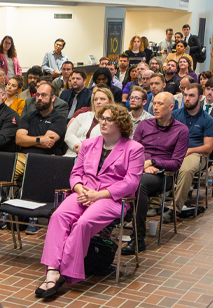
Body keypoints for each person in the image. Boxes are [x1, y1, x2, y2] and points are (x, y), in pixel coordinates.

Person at [37, 104, 144, 296]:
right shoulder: (88, 144)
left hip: (112, 198)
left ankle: (65, 272)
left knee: (83, 223)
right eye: (102, 117)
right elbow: (76, 173)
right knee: (58, 216)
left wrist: (98, 195)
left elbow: (131, 183)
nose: (102, 122)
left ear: (120, 124)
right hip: (83, 192)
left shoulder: (134, 148)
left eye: (108, 119)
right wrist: (80, 190)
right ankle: (52, 270)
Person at [122, 92, 189, 255]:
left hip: (162, 175)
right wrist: (144, 164)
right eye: (155, 103)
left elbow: (176, 163)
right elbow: (132, 150)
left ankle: (138, 240)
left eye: (160, 104)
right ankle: (110, 227)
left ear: (171, 107)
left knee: (140, 184)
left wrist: (153, 162)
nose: (155, 107)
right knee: (127, 179)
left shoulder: (181, 130)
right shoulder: (144, 125)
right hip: (140, 170)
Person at [171, 83, 213, 216]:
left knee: (186, 170)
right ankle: (154, 201)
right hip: (174, 152)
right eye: (185, 95)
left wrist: (190, 151)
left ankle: (176, 209)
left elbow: (208, 148)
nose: (187, 98)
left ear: (200, 97)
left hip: (196, 153)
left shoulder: (207, 120)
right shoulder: (174, 116)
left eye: (191, 95)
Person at [15, 81, 68, 163]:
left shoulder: (59, 119)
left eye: (43, 95)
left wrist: (27, 140)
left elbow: (47, 143)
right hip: (23, 157)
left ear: (53, 98)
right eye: (37, 95)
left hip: (47, 159)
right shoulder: (28, 116)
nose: (39, 98)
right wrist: (39, 140)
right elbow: (18, 139)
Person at [64, 86, 115, 157]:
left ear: (110, 102)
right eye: (95, 99)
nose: (98, 102)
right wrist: (78, 146)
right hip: (72, 154)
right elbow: (69, 134)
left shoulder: (113, 121)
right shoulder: (82, 116)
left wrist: (85, 151)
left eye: (102, 99)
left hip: (95, 158)